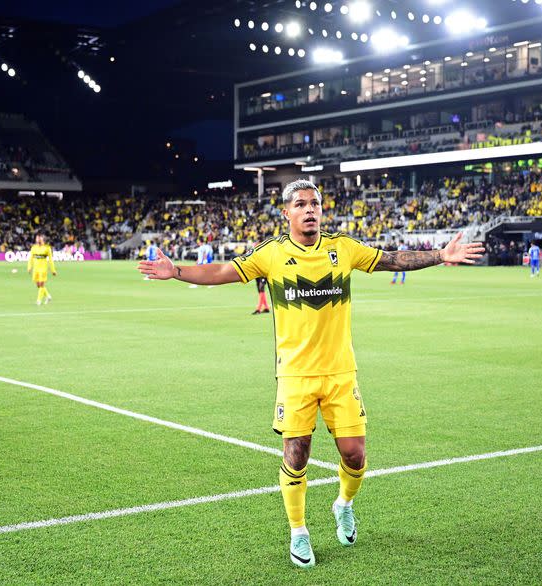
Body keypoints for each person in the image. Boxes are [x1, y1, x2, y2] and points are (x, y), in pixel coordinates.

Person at [136, 179, 484, 569]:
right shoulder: (271, 254)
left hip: (340, 373)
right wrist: (177, 271)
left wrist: (440, 254)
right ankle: (298, 531)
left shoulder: (342, 248)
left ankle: (344, 504)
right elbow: (222, 272)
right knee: (296, 454)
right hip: (296, 376)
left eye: (315, 203)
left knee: (355, 455)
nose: (310, 210)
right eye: (301, 204)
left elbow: (390, 259)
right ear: (286, 213)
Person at [27, 233, 56, 305]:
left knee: (41, 284)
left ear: (42, 239)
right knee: (38, 285)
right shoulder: (34, 248)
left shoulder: (47, 248)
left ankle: (38, 300)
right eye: (36, 238)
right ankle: (48, 296)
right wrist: (29, 267)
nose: (37, 239)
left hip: (43, 268)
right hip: (36, 268)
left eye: (39, 238)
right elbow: (31, 258)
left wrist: (53, 270)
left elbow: (50, 260)